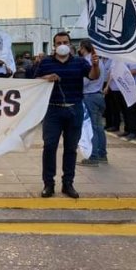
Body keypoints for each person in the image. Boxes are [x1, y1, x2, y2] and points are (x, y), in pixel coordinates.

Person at [35, 32, 100, 199]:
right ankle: (48, 184)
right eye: (59, 42)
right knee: (49, 147)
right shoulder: (46, 62)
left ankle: (68, 183)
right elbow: (33, 81)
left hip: (74, 109)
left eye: (65, 42)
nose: (62, 44)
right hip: (52, 110)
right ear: (54, 46)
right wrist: (45, 78)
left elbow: (94, 76)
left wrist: (95, 65)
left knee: (71, 148)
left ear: (71, 45)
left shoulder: (79, 62)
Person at [77, 40, 107, 167]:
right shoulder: (99, 61)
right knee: (99, 127)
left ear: (84, 48)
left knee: (92, 127)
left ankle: (93, 156)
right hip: (98, 95)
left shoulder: (88, 61)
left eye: (80, 47)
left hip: (89, 96)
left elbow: (86, 81)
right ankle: (102, 154)